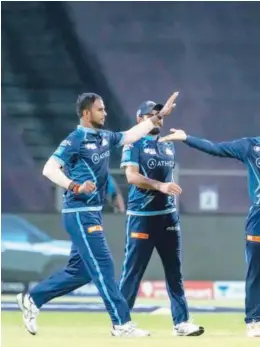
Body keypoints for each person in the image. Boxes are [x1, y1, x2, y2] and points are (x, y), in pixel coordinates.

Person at [17, 91, 178, 337]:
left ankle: (32, 299)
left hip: (92, 213)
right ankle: (121, 324)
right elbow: (49, 169)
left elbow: (130, 135)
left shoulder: (104, 136)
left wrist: (158, 118)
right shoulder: (75, 139)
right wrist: (74, 186)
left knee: (80, 272)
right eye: (100, 109)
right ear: (86, 113)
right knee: (103, 265)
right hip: (79, 212)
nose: (105, 113)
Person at [160, 100, 260, 338]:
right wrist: (187, 138)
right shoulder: (250, 146)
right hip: (259, 216)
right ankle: (253, 322)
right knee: (257, 272)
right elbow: (216, 148)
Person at [118, 100, 204, 336]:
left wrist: (168, 189)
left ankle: (182, 322)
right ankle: (121, 323)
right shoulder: (133, 143)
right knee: (133, 272)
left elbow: (168, 181)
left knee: (174, 272)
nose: (158, 117)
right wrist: (160, 185)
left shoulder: (168, 146)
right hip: (142, 217)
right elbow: (132, 177)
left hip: (168, 218)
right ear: (140, 119)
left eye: (160, 114)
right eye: (152, 114)